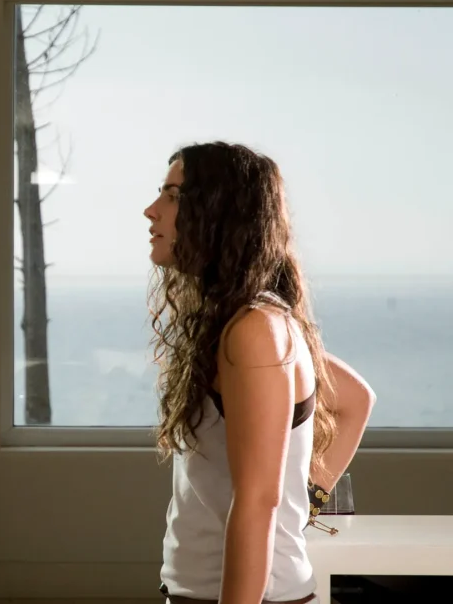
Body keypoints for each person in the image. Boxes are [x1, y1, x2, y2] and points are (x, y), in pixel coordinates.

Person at [143, 142, 376, 604]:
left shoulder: (255, 332)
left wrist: (289, 508)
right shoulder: (246, 323)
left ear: (218, 215)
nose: (151, 211)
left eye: (172, 196)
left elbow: (257, 502)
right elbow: (354, 399)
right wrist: (301, 502)